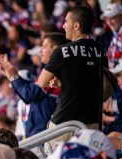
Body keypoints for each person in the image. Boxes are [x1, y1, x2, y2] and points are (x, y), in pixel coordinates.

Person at [37, 6, 101, 149]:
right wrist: (64, 83)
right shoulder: (100, 51)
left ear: (77, 25)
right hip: (92, 125)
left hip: (64, 125)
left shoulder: (62, 51)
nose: (63, 25)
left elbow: (42, 81)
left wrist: (59, 82)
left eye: (66, 21)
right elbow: (97, 86)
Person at [0, 32, 68, 137]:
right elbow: (30, 91)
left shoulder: (55, 73)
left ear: (55, 49)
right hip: (41, 134)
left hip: (46, 135)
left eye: (44, 47)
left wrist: (14, 77)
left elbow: (28, 94)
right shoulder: (49, 72)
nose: (40, 51)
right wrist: (9, 75)